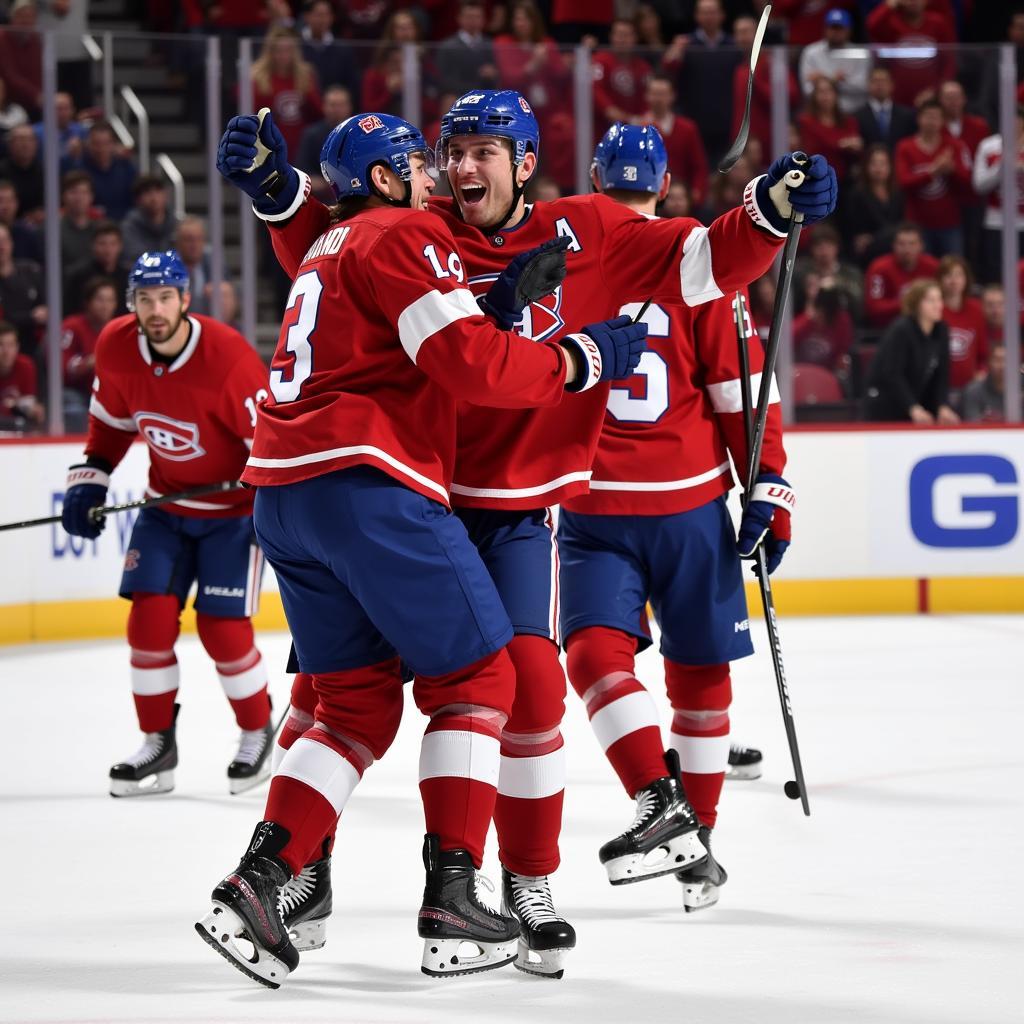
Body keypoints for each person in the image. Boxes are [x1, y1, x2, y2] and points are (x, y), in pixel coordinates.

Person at [247, 89, 835, 979]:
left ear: (526, 162)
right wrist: (278, 193)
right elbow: (333, 248)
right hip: (409, 502)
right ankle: (301, 877)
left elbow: (709, 262)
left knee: (527, 693)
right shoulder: (420, 222)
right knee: (327, 698)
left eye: (486, 150)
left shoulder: (590, 231)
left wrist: (772, 208)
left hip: (511, 513)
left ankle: (524, 886)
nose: (463, 166)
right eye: (453, 150)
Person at [201, 108, 649, 986]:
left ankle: (259, 884)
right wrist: (582, 360)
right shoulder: (407, 230)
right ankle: (452, 898)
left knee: (353, 707)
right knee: (485, 679)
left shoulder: (336, 243)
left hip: (283, 498)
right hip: (368, 487)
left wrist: (497, 297)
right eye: (418, 162)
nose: (436, 177)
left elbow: (392, 323)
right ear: (382, 177)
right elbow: (469, 365)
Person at [558, 122, 791, 915]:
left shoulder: (566, 254)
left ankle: (660, 804)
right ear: (662, 186)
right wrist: (770, 485)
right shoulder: (700, 259)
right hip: (688, 504)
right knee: (699, 676)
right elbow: (740, 389)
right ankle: (699, 843)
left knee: (591, 655)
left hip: (589, 504)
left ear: (594, 177)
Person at [59, 250, 278, 800]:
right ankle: (159, 743)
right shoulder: (114, 345)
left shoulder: (227, 358)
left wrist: (258, 491)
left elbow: (270, 446)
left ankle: (257, 732)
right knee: (148, 625)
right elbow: (110, 424)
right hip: (165, 509)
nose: (154, 310)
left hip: (232, 517)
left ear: (185, 299)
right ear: (132, 303)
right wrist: (93, 477)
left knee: (223, 634)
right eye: (143, 299)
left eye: (164, 298)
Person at [864, 277, 959, 423]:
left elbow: (942, 374)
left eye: (939, 299)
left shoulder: (941, 330)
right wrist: (912, 407)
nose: (937, 305)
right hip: (886, 405)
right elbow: (892, 374)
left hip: (916, 402)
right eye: (930, 300)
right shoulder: (901, 330)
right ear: (917, 304)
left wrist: (942, 405)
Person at [895, 100, 972, 258]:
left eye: (936, 117)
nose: (931, 121)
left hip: (950, 223)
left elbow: (969, 182)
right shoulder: (905, 147)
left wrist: (952, 170)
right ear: (919, 119)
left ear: (943, 121)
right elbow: (903, 181)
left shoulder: (954, 146)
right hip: (917, 225)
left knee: (953, 267)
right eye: (928, 116)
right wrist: (933, 172)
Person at [249, 27, 323, 162]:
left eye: (288, 51)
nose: (283, 56)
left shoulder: (305, 75)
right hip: (269, 146)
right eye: (278, 51)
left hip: (300, 144)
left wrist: (307, 94)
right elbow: (253, 113)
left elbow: (318, 112)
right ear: (270, 53)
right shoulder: (258, 77)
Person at [866, 0, 956, 108]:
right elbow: (872, 26)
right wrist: (889, 5)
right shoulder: (892, 23)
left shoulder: (938, 23)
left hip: (930, 98)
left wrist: (936, 91)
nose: (914, 2)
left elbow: (949, 61)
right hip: (897, 97)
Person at [972, 106, 1024, 284]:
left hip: (1022, 222)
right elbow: (979, 185)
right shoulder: (988, 146)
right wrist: (1002, 168)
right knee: (996, 273)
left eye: (1017, 123)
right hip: (997, 222)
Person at [60, 276, 118, 431]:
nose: (105, 306)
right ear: (88, 303)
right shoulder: (72, 326)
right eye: (100, 300)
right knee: (71, 404)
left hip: (106, 393)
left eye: (110, 300)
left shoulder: (119, 331)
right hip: (78, 392)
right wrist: (89, 363)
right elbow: (61, 369)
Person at [641, 74, 708, 207]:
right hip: (651, 199)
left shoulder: (687, 128)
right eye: (654, 94)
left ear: (672, 96)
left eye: (662, 94)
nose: (658, 99)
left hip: (682, 200)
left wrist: (696, 193)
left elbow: (699, 166)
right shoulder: (638, 129)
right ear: (647, 96)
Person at [798, 8, 872, 116]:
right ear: (825, 29)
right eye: (832, 28)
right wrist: (837, 80)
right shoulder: (811, 52)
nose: (836, 32)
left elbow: (863, 88)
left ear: (849, 30)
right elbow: (807, 90)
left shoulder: (860, 53)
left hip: (854, 113)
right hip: (820, 114)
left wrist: (824, 79)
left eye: (840, 28)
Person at [865, 222, 940, 328]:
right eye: (901, 244)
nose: (907, 249)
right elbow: (874, 307)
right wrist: (907, 302)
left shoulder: (933, 267)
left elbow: (945, 301)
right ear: (893, 245)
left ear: (921, 246)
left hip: (927, 326)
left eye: (912, 244)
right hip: (888, 329)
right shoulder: (879, 268)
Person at [842, 143, 904, 267]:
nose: (878, 168)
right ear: (866, 166)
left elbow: (900, 223)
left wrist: (877, 238)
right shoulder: (857, 194)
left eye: (883, 164)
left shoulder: (898, 193)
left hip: (893, 247)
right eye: (874, 164)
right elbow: (851, 227)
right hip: (867, 251)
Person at [65, 121, 137, 222]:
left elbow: (135, 202)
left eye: (106, 143)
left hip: (123, 225)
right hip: (89, 227)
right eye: (96, 144)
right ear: (88, 144)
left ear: (113, 144)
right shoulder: (79, 169)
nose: (101, 149)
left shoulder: (126, 168)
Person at [591, 17, 652, 137]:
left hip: (636, 131)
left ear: (635, 38)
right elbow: (596, 92)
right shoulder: (600, 61)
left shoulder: (643, 67)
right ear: (611, 36)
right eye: (618, 35)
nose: (622, 40)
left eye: (626, 35)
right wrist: (612, 112)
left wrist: (642, 118)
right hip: (602, 130)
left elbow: (647, 97)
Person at [797, 76, 863, 186]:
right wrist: (842, 145)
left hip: (845, 180)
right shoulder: (806, 121)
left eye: (829, 91)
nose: (825, 96)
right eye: (821, 92)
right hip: (816, 180)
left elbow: (856, 146)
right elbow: (814, 148)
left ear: (836, 95)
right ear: (814, 96)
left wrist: (853, 146)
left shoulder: (848, 121)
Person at [937, 254, 987, 392]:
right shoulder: (933, 310)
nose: (954, 281)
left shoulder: (976, 310)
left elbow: (983, 353)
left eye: (958, 275)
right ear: (939, 280)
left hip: (971, 388)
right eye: (948, 275)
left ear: (966, 279)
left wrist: (981, 372)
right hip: (939, 389)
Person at [0, 221, 45, 360]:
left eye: (4, 240)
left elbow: (46, 305)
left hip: (33, 344)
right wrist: (31, 317)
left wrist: (46, 311)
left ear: (12, 243)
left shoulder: (31, 270)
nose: (1, 246)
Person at [64, 221, 129, 317]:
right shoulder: (79, 276)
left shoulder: (128, 277)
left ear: (120, 246)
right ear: (92, 245)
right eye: (102, 244)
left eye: (113, 244)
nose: (108, 250)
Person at [296, 86, 354, 193]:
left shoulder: (359, 134)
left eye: (341, 105)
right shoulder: (311, 135)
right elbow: (302, 174)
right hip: (324, 195)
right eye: (332, 105)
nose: (337, 109)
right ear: (324, 107)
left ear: (349, 107)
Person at [437, 1, 500, 97]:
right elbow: (443, 80)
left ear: (483, 20)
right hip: (458, 96)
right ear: (459, 18)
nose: (473, 20)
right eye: (469, 16)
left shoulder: (489, 45)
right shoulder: (448, 46)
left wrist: (492, 74)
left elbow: (498, 77)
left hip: (485, 96)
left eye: (477, 17)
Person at [121, 175, 182, 264]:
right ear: (137, 200)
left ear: (166, 195)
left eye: (158, 191)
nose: (154, 198)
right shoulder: (129, 228)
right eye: (147, 192)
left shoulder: (178, 226)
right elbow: (134, 259)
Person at [854, 66, 916, 151]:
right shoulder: (856, 116)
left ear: (892, 85)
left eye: (883, 81)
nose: (879, 85)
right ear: (868, 85)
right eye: (875, 81)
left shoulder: (907, 115)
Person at [0, 318, 44, 428]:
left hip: (18, 425)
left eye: (11, 345)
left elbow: (31, 404)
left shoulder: (26, 366)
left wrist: (35, 410)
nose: (6, 351)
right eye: (1, 345)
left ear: (17, 347)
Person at [60, 170, 99, 270]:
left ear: (91, 197)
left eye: (84, 192)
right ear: (63, 196)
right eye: (73, 192)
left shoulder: (100, 230)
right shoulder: (53, 232)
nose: (79, 198)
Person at [962, 344, 1007, 422]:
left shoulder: (1021, 390)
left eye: (1006, 360)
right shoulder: (974, 391)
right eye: (997, 360)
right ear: (989, 362)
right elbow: (972, 426)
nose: (1002, 365)